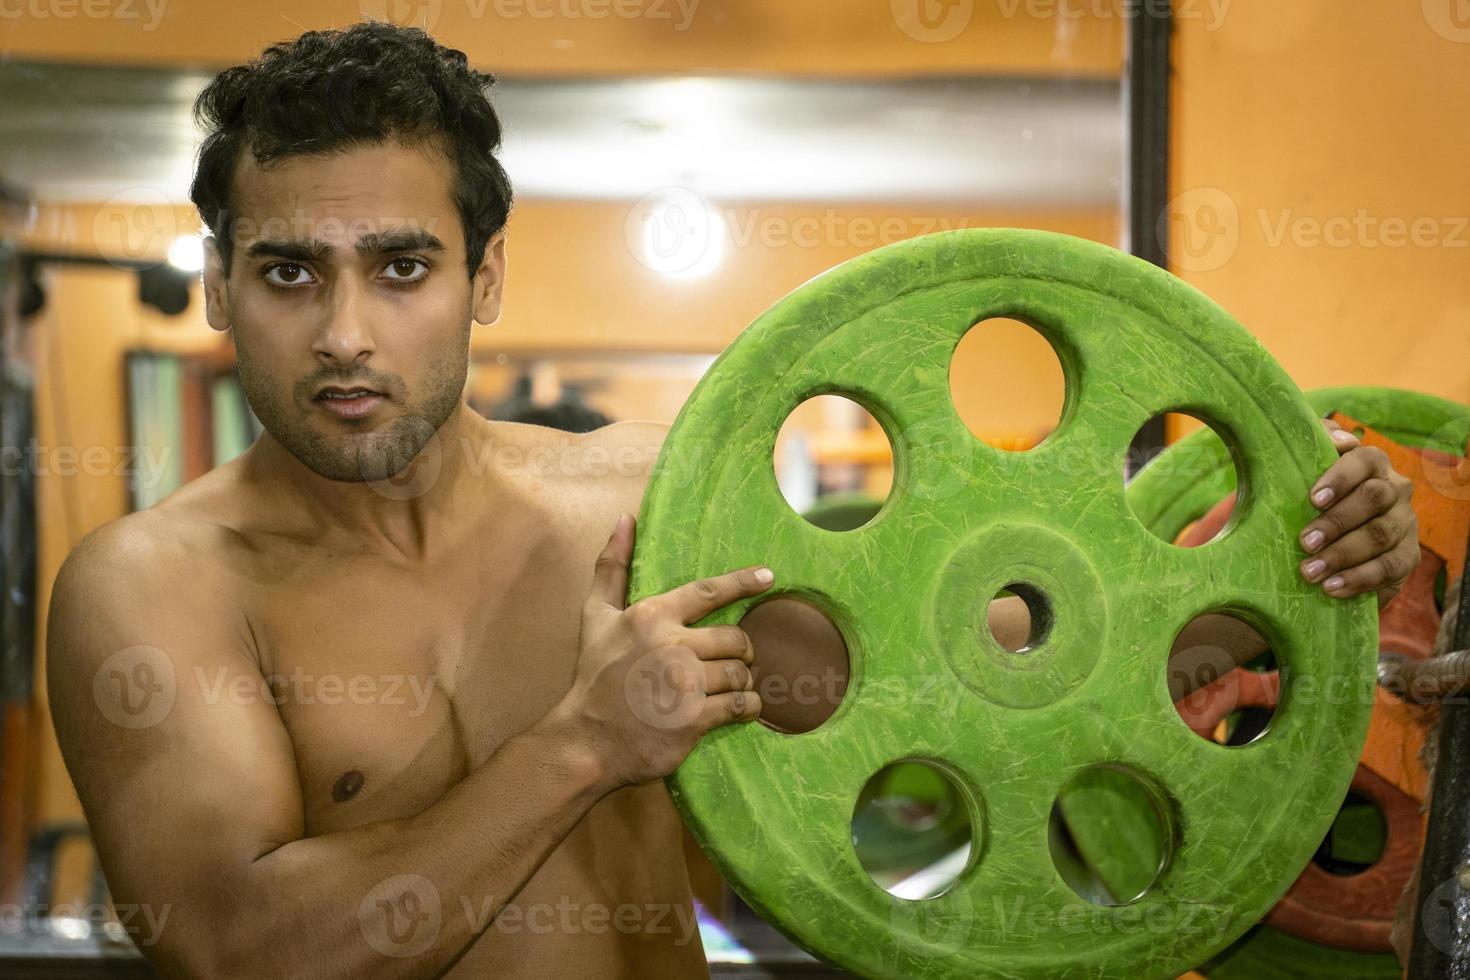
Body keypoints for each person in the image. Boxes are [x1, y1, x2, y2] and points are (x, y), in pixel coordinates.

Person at [45, 22, 1419, 979]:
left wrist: (1299, 575)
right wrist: (583, 744)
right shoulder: (156, 586)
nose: (346, 331)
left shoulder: (654, 496)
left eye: (401, 268)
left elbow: (1000, 663)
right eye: (291, 273)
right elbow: (241, 950)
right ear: (221, 288)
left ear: (486, 279)